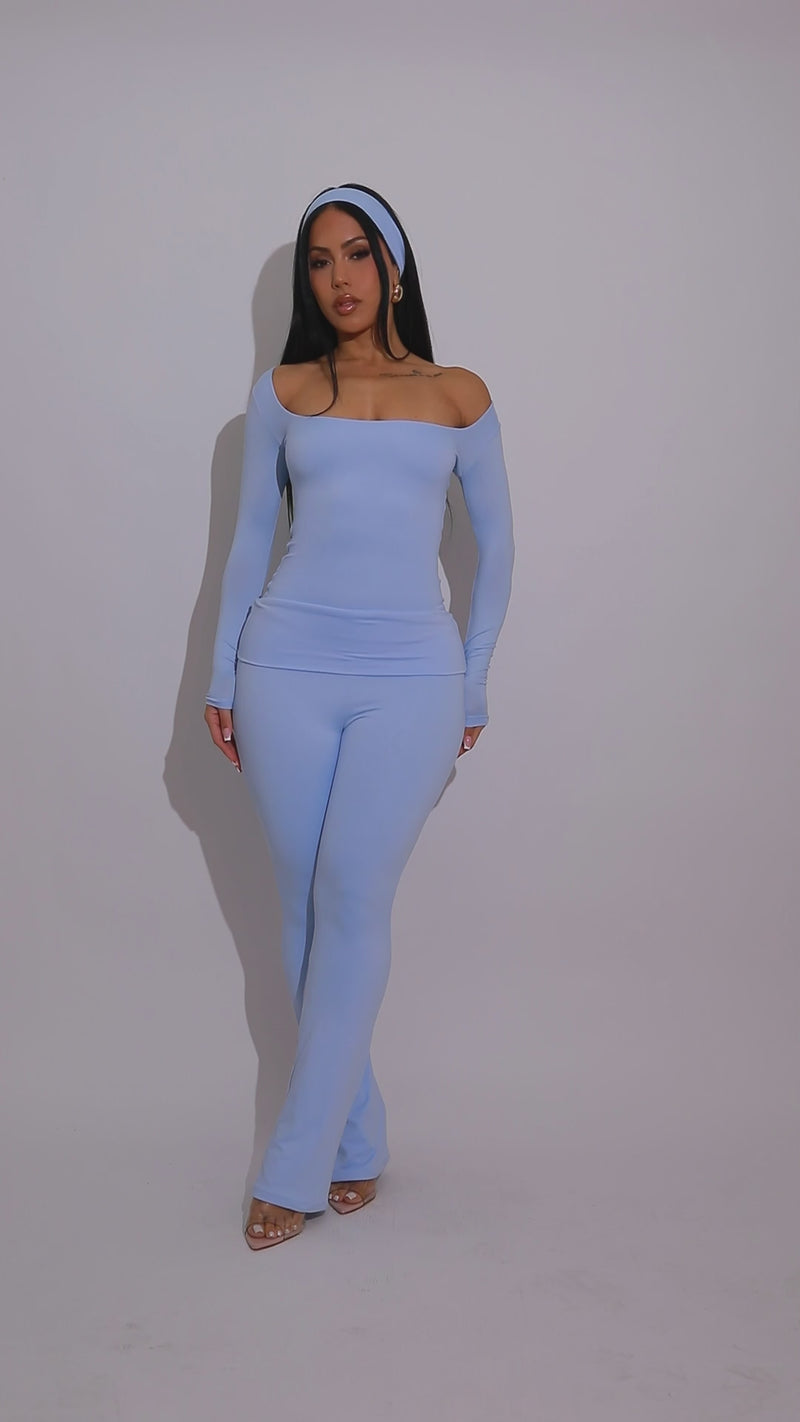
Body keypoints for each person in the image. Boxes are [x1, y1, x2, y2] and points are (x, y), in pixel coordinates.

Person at [204, 183, 515, 1251]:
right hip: (283, 665)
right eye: (318, 261)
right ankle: (357, 1138)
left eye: (356, 254)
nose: (338, 278)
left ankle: (292, 1164)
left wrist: (473, 678)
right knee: (303, 910)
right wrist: (221, 676)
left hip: (410, 678)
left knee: (351, 895)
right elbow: (249, 542)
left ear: (393, 266)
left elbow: (498, 550)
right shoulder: (284, 392)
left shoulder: (459, 394)